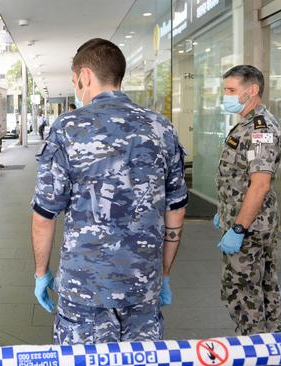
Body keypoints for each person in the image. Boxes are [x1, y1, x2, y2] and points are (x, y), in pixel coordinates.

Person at [31, 38, 188, 344]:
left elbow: (44, 215)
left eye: (75, 80)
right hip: (143, 285)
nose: (76, 85)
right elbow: (177, 210)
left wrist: (41, 273)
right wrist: (163, 274)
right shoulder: (161, 128)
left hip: (85, 288)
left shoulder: (67, 128)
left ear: (85, 76)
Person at [213, 64, 281, 335]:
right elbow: (241, 178)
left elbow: (260, 184)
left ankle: (253, 349)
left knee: (242, 290)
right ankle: (273, 347)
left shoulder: (259, 129)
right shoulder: (247, 124)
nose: (226, 96)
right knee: (263, 284)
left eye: (231, 90)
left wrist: (239, 227)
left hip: (249, 227)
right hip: (248, 219)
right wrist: (225, 209)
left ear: (251, 91)